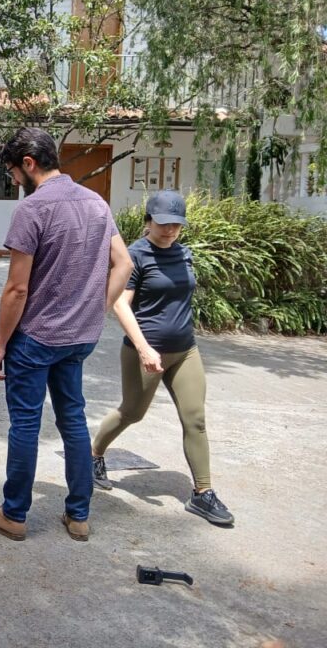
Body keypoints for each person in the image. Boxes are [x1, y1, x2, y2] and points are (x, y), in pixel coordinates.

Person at [0, 127, 133, 543]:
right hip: (79, 338)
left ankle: (14, 515)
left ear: (29, 164)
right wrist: (96, 308)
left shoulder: (33, 209)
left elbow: (17, 289)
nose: (13, 181)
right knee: (73, 420)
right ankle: (78, 516)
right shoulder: (96, 203)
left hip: (37, 337)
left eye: (12, 172)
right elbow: (124, 264)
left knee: (25, 424)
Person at [92, 190, 233, 525]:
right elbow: (120, 304)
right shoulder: (135, 256)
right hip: (145, 350)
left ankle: (203, 493)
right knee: (132, 412)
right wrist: (143, 348)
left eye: (176, 224)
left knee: (195, 419)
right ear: (148, 221)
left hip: (185, 350)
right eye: (163, 223)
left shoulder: (184, 254)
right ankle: (93, 453)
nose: (170, 230)